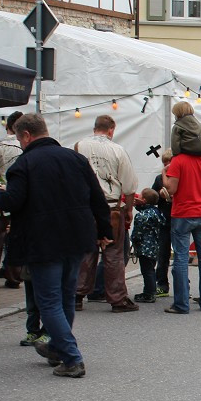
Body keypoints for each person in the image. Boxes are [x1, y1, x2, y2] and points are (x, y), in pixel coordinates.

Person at [0, 114, 113, 378]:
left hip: (43, 240)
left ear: (25, 136)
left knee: (49, 301)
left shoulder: (24, 164)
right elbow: (98, 199)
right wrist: (104, 231)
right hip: (77, 237)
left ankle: (71, 357)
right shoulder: (75, 159)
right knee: (65, 296)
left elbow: (12, 201)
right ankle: (57, 347)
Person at [74, 115, 139, 313]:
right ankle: (117, 298)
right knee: (113, 254)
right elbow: (128, 185)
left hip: (85, 208)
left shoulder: (79, 146)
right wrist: (128, 210)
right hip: (110, 207)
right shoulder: (117, 150)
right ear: (111, 129)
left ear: (95, 128)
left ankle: (76, 295)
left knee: (86, 251)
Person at [163, 135, 201, 313]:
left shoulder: (178, 161)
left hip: (182, 213)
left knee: (181, 258)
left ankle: (181, 304)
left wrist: (164, 174)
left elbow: (171, 189)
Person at [0, 111, 24, 289]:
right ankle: (14, 276)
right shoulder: (27, 146)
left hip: (0, 195)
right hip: (21, 196)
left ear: (8, 126)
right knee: (17, 236)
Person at [130, 188, 166, 303]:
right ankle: (150, 290)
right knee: (151, 268)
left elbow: (137, 233)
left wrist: (134, 241)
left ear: (144, 200)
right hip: (155, 245)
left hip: (144, 247)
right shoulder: (157, 213)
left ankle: (149, 293)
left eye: (140, 196)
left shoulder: (142, 215)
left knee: (146, 270)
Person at [153, 149, 174, 296]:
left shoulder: (179, 177)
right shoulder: (159, 178)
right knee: (163, 254)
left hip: (178, 219)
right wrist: (159, 196)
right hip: (164, 220)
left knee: (180, 254)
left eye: (169, 162)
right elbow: (152, 196)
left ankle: (183, 284)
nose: (167, 166)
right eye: (165, 163)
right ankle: (162, 283)